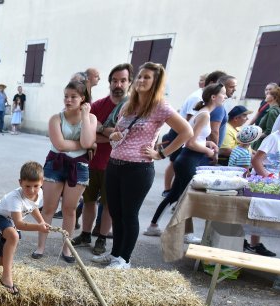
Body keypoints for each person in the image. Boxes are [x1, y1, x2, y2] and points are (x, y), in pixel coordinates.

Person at [92, 62, 192, 270]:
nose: (141, 81)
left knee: (129, 214)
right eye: (139, 77)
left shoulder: (160, 106)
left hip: (138, 169)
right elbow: (117, 130)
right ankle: (115, 254)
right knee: (116, 213)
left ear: (156, 82)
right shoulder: (129, 104)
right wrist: (115, 135)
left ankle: (124, 259)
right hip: (115, 163)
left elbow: (186, 132)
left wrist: (161, 153)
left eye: (147, 77)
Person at [144, 83, 226, 237]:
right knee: (187, 197)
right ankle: (186, 233)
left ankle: (153, 226)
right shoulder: (205, 115)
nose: (226, 96)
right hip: (188, 160)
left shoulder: (202, 113)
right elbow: (190, 142)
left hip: (186, 159)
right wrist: (208, 150)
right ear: (213, 97)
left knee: (176, 195)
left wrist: (207, 143)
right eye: (223, 93)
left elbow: (196, 138)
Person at [70, 63, 132, 256]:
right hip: (91, 162)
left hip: (114, 165)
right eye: (114, 80)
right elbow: (85, 135)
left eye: (123, 80)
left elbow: (126, 138)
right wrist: (108, 134)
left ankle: (102, 238)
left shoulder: (132, 108)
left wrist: (100, 131)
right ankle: (86, 234)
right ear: (109, 83)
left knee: (108, 206)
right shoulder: (98, 105)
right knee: (88, 202)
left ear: (129, 83)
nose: (118, 84)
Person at [33, 80, 96, 263]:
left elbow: (87, 141)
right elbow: (60, 145)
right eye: (66, 96)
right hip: (56, 163)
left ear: (82, 98)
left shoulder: (91, 119)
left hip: (79, 167)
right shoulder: (56, 118)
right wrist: (83, 145)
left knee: (70, 209)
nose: (68, 100)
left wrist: (85, 116)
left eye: (73, 97)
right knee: (49, 208)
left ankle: (67, 249)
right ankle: (41, 246)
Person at [0, 161, 50, 294]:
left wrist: (42, 221)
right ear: (20, 182)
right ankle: (6, 277)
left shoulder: (39, 193)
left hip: (10, 220)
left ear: (42, 182)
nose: (31, 190)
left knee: (7, 249)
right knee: (13, 236)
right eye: (27, 186)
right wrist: (38, 227)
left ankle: (0, 270)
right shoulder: (15, 198)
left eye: (36, 186)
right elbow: (19, 224)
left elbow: (33, 207)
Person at [246, 124, 280, 257]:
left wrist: (278, 178)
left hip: (273, 182)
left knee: (262, 213)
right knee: (257, 212)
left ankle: (254, 244)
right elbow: (256, 160)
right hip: (262, 181)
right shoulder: (273, 138)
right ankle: (253, 244)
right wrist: (268, 177)